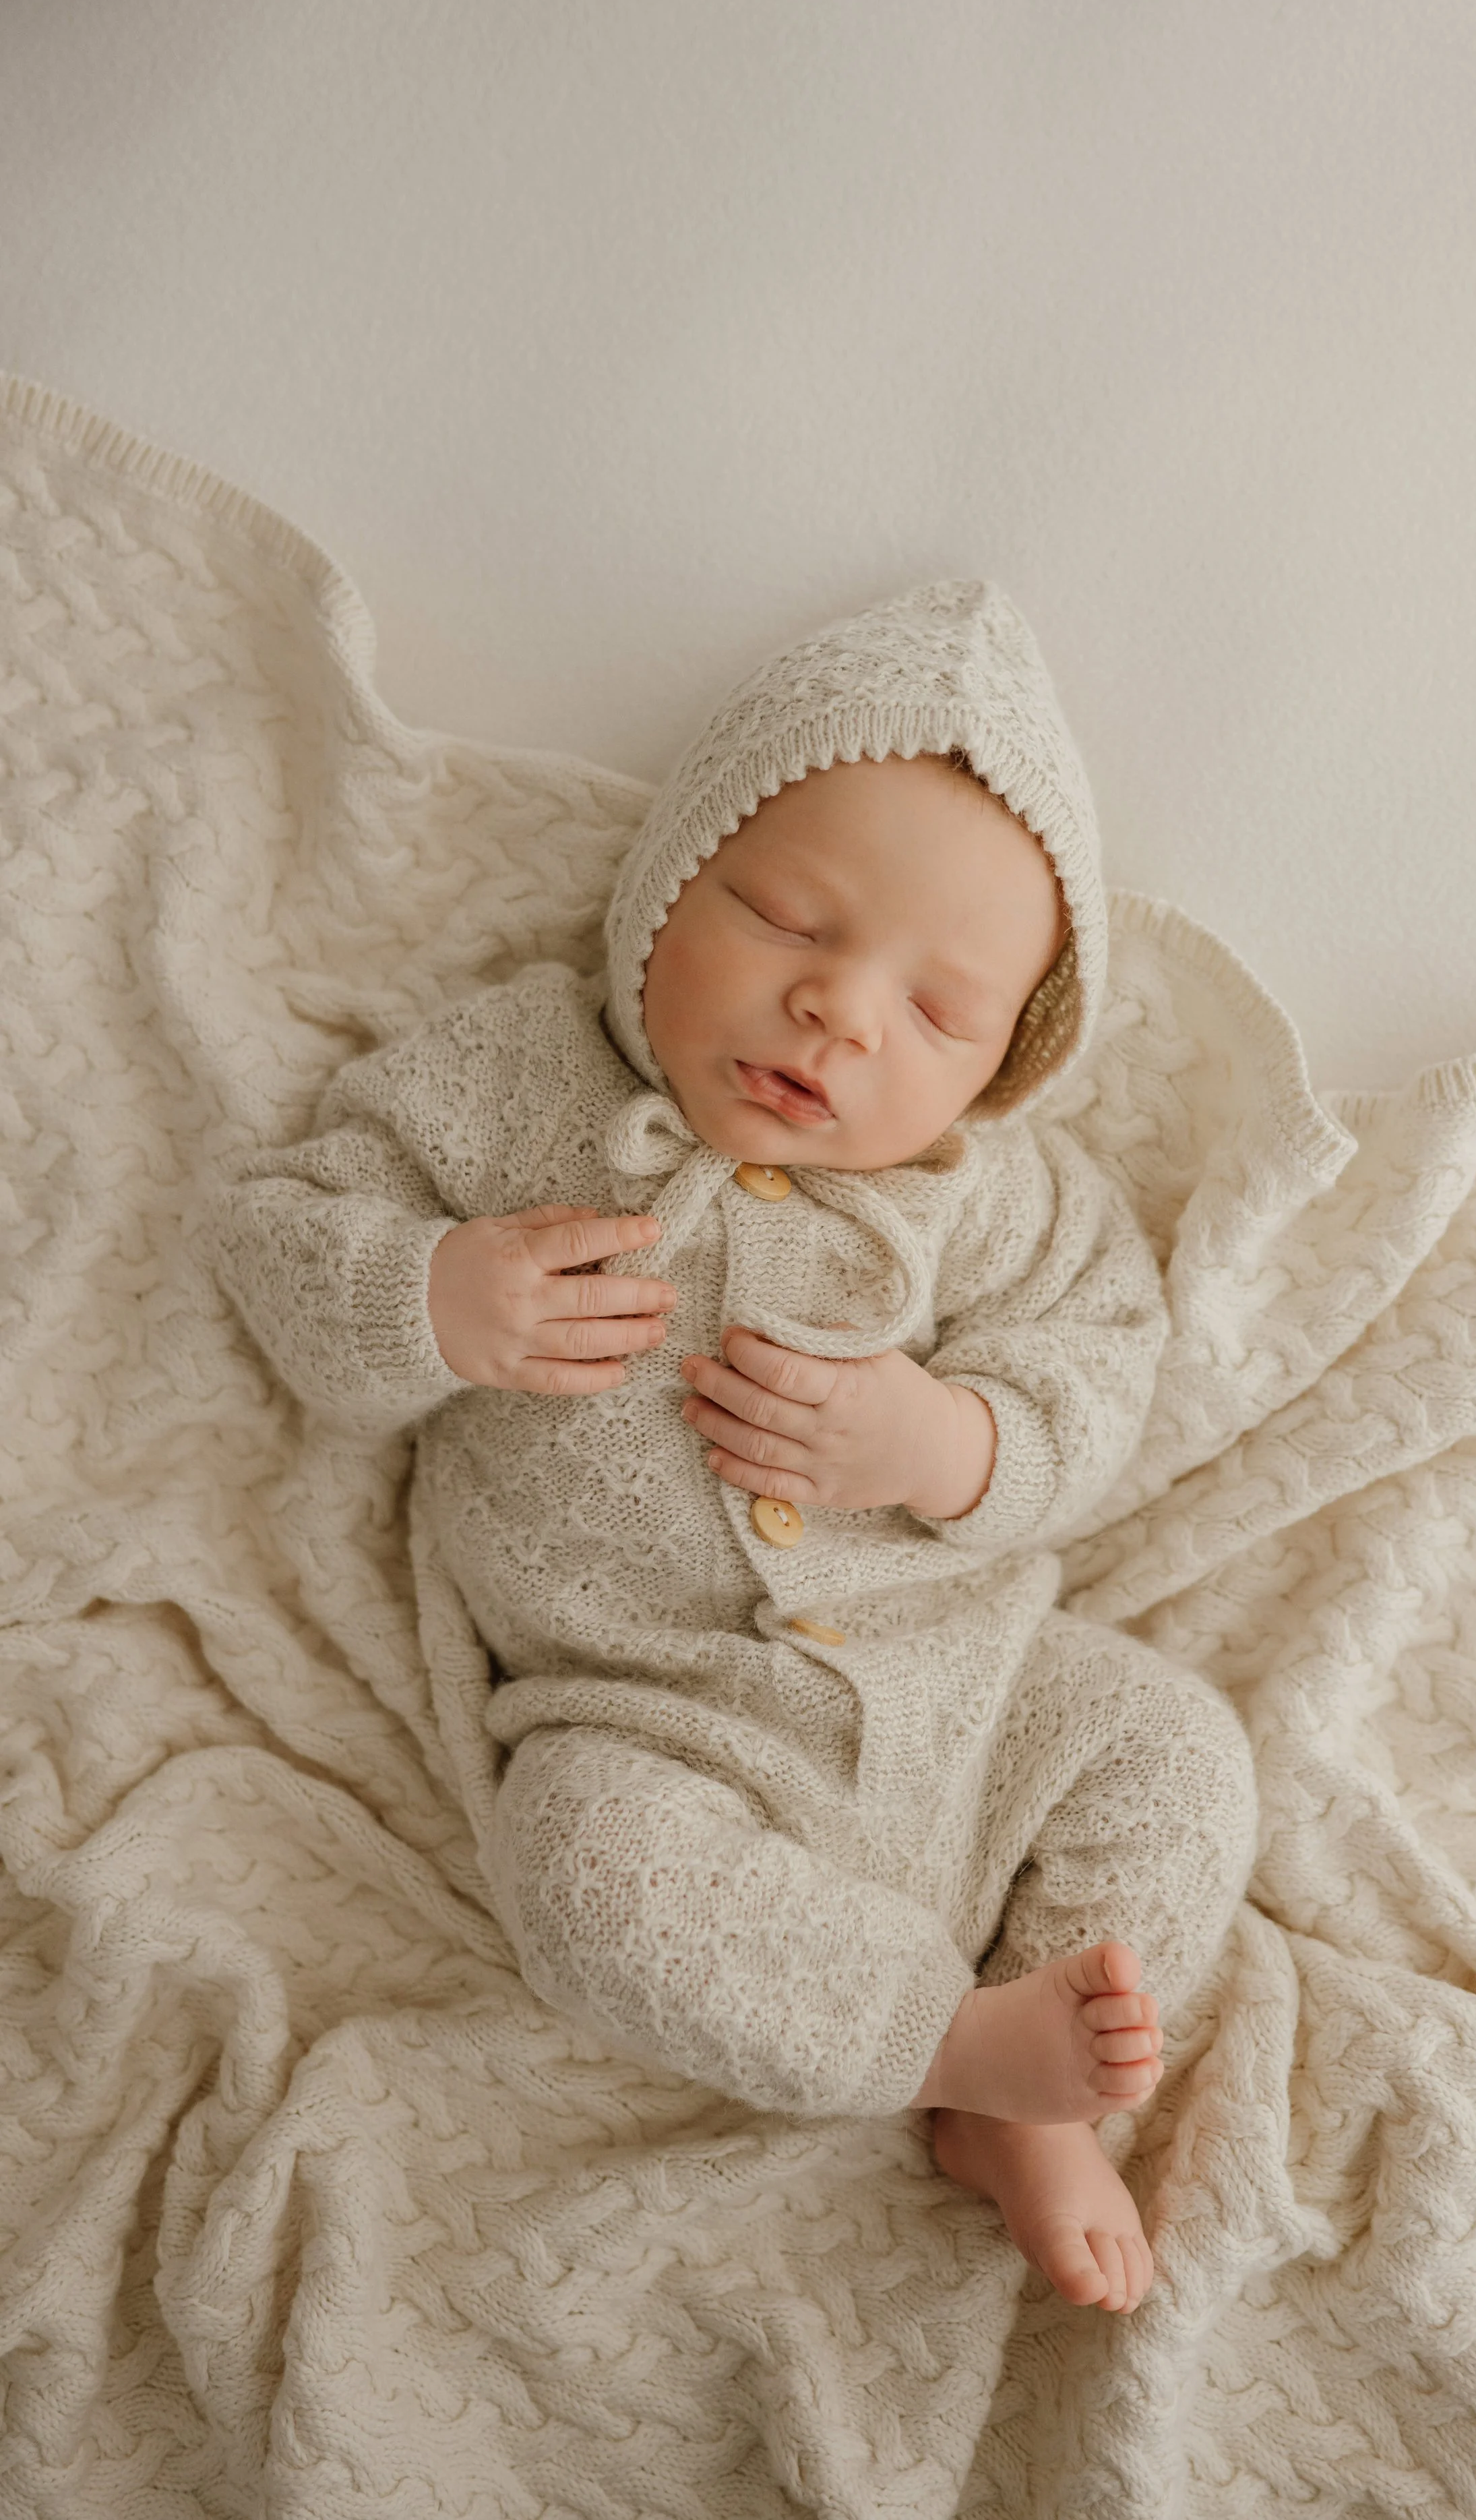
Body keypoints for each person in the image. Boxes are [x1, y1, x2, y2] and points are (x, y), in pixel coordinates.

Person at [208, 580, 1258, 2317]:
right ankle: (956, 2042)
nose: (841, 1015)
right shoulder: (515, 1082)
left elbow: (1098, 1381)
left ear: (1010, 1064)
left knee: (1174, 1750)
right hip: (652, 1720)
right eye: (786, 920)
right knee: (584, 1878)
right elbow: (290, 1230)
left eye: (938, 1015)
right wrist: (436, 1298)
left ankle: (1027, 2103)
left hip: (970, 1701)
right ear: (670, 883)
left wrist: (954, 1442)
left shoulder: (997, 1204)